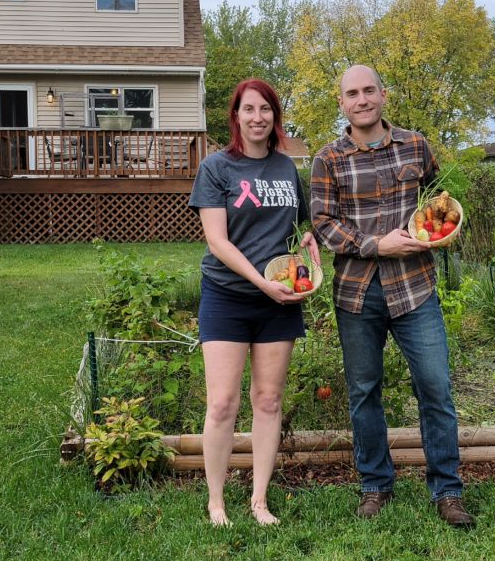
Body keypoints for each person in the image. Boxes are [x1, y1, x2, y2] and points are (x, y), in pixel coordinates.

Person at [309, 65, 474, 528]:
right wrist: (375, 244)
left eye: (368, 91)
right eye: (351, 94)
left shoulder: (415, 145)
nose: (361, 100)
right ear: (341, 103)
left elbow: (437, 197)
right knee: (365, 393)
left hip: (415, 287)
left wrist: (439, 227)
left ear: (383, 95)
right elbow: (323, 223)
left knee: (435, 387)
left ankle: (447, 490)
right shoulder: (328, 159)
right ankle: (375, 485)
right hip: (357, 295)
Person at [189, 78, 320, 526]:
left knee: (268, 400)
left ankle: (259, 500)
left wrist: (307, 238)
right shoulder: (217, 168)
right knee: (222, 403)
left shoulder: (287, 169)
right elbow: (217, 241)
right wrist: (260, 283)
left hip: (279, 299)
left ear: (274, 116)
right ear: (236, 116)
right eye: (249, 109)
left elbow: (297, 225)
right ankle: (216, 501)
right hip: (227, 296)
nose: (257, 117)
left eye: (265, 109)